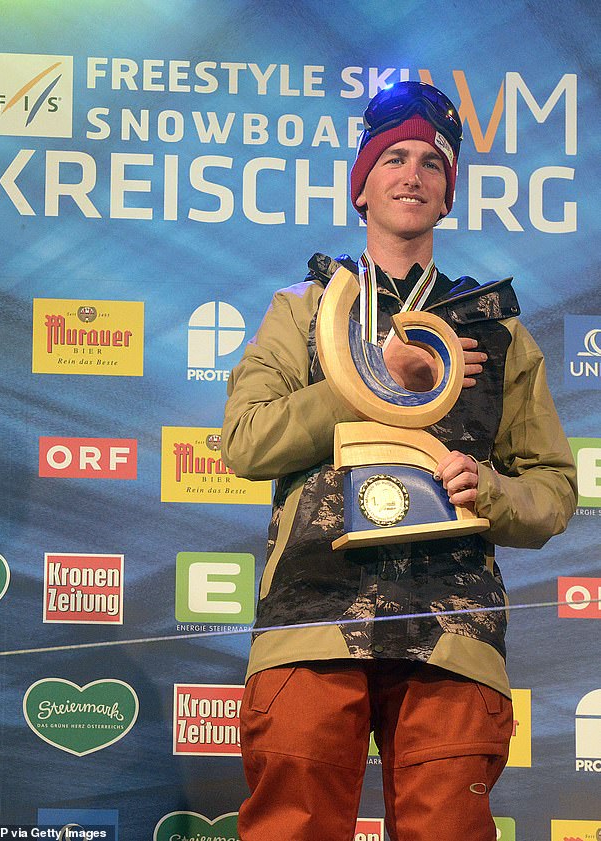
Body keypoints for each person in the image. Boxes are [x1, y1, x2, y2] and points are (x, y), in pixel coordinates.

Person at [221, 81, 576, 841]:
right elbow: (246, 441)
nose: (412, 174)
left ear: (449, 193)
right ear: (363, 185)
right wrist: (372, 381)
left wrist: (491, 490)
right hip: (310, 620)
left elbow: (553, 488)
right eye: (393, 159)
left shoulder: (499, 331)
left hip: (450, 629)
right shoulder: (303, 308)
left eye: (431, 163)